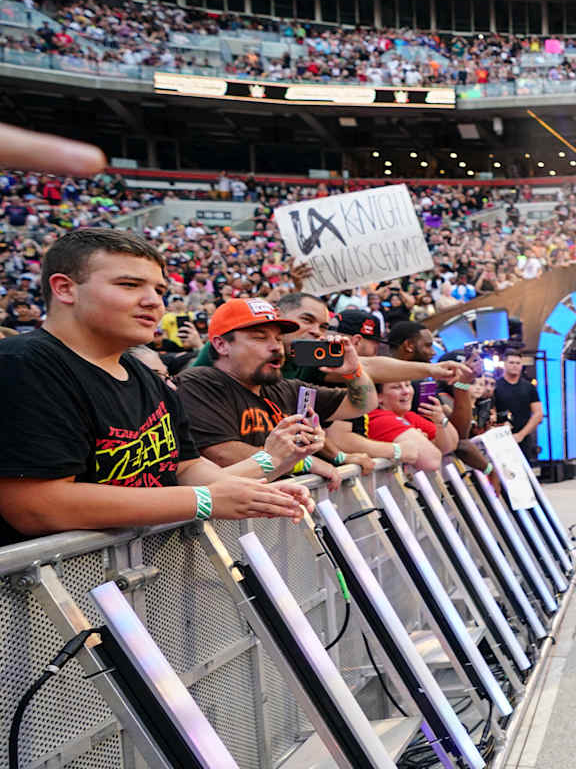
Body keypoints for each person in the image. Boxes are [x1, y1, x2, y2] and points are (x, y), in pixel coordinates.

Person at [0, 229, 312, 545]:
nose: (153, 302)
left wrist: (258, 493)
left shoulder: (144, 374)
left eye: (159, 289)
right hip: (53, 586)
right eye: (129, 285)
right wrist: (204, 500)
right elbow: (36, 506)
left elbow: (186, 466)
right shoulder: (22, 365)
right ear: (65, 289)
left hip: (140, 579)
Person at [175, 299, 376, 489]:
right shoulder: (198, 383)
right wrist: (301, 462)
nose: (276, 347)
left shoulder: (285, 387)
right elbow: (221, 453)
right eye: (260, 337)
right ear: (221, 345)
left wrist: (354, 372)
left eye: (278, 339)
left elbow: (361, 405)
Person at [362, 380, 458, 472]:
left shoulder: (408, 415)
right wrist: (425, 441)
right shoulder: (380, 419)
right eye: (396, 387)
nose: (406, 391)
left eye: (408, 385)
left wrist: (440, 420)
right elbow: (432, 461)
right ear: (378, 397)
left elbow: (450, 446)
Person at [492, 348, 544, 463]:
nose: (515, 366)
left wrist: (521, 435)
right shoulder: (495, 386)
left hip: (524, 438)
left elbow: (538, 414)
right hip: (499, 438)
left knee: (525, 474)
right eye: (511, 363)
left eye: (518, 363)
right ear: (504, 364)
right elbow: (491, 412)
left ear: (521, 365)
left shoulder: (529, 387)